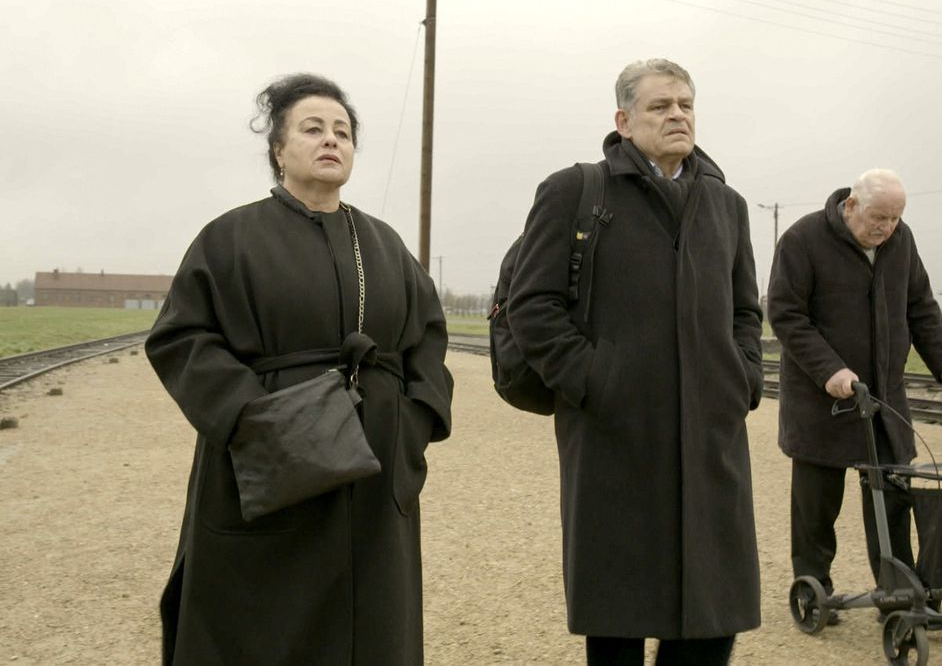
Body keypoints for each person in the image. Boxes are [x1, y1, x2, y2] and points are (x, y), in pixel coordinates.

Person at [146, 74, 453, 664]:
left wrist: (412, 424)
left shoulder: (387, 245)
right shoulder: (228, 238)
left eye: (342, 132)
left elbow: (428, 345)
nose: (330, 140)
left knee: (372, 629)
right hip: (269, 459)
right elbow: (182, 338)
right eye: (312, 129)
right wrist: (254, 419)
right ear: (279, 150)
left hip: (374, 467)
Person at [507, 58, 763, 666]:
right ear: (623, 120)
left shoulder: (727, 204)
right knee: (618, 615)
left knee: (710, 618)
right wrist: (598, 382)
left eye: (686, 105)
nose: (677, 115)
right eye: (660, 106)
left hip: (710, 435)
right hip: (615, 437)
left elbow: (746, 311)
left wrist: (741, 381)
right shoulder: (575, 190)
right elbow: (533, 306)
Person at [767, 168, 942, 622]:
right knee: (817, 505)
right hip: (823, 400)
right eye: (880, 217)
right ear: (852, 205)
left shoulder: (901, 242)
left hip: (884, 399)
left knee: (892, 496)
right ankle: (814, 586)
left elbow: (920, 307)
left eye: (896, 218)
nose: (887, 227)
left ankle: (898, 591)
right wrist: (830, 370)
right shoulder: (803, 239)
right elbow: (785, 315)